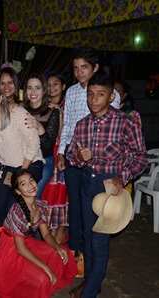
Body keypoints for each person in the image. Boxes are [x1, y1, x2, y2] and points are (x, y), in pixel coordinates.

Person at [66, 72, 148, 297]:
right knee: (89, 235)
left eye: (100, 94)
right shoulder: (82, 125)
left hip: (110, 187)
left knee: (99, 240)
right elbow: (71, 155)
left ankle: (89, 292)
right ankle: (93, 283)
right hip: (87, 184)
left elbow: (141, 156)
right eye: (90, 94)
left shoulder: (125, 122)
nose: (94, 99)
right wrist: (79, 158)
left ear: (111, 96)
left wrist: (123, 176)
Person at [56, 47, 120, 259]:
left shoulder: (110, 95)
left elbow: (114, 131)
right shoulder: (72, 92)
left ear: (96, 67)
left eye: (84, 67)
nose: (80, 72)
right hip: (74, 157)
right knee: (74, 203)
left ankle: (92, 251)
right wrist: (61, 152)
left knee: (95, 207)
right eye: (75, 68)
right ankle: (75, 248)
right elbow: (67, 126)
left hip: (99, 163)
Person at [0, 167, 77, 297]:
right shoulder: (17, 212)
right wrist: (45, 267)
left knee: (60, 253)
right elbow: (20, 249)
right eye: (24, 184)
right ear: (18, 191)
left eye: (31, 180)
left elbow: (45, 234)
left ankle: (40, 277)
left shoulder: (39, 205)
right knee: (42, 279)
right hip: (13, 250)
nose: (30, 186)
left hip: (27, 244)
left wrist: (57, 247)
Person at [0, 82, 44, 228]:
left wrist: (22, 173)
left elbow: (34, 143)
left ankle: (19, 246)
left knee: (12, 208)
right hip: (7, 167)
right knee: (0, 209)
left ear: (0, 98)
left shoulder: (17, 113)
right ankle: (4, 247)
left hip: (30, 163)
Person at [40, 72, 69, 245]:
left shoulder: (67, 106)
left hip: (61, 151)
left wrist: (58, 112)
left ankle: (60, 233)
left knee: (61, 193)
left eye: (56, 83)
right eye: (48, 84)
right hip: (46, 153)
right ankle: (48, 234)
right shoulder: (42, 106)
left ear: (63, 86)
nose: (52, 87)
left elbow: (62, 134)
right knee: (47, 193)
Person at [22, 73, 60, 199]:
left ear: (44, 90)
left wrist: (39, 127)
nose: (33, 91)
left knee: (32, 199)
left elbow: (48, 146)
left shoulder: (52, 111)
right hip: (23, 160)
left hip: (44, 163)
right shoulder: (20, 109)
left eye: (37, 88)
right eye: (29, 87)